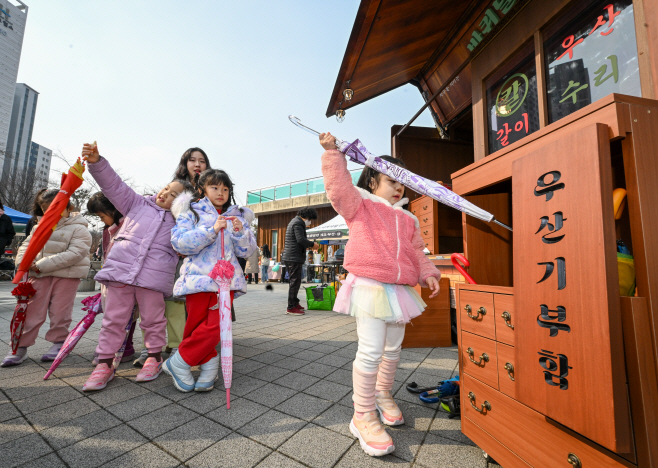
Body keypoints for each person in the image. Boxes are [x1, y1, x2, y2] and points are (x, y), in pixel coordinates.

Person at [319, 132, 440, 457]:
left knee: (392, 349)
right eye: (392, 179)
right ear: (372, 181)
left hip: (400, 290)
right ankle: (362, 416)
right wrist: (333, 154)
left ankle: (383, 394)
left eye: (403, 181)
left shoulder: (409, 217)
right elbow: (337, 188)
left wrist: (428, 272)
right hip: (371, 286)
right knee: (371, 351)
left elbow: (418, 252)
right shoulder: (360, 204)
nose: (399, 186)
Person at [80, 143, 193, 391]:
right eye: (166, 189)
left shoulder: (181, 223)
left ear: (183, 203)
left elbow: (187, 246)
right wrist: (97, 163)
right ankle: (105, 363)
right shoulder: (136, 204)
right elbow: (113, 185)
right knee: (113, 319)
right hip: (120, 273)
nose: (166, 194)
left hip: (152, 280)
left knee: (154, 320)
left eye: (174, 195)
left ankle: (153, 358)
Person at [165, 169, 257, 392]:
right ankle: (208, 367)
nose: (221, 193)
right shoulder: (191, 212)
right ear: (202, 189)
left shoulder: (238, 216)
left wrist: (239, 232)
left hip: (227, 282)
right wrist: (211, 230)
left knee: (217, 326)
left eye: (225, 189)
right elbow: (180, 244)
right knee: (196, 327)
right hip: (198, 281)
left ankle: (178, 363)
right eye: (215, 187)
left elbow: (247, 251)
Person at [1, 190, 92, 367]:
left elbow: (75, 253)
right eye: (47, 210)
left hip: (66, 276)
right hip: (38, 276)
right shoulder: (38, 227)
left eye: (57, 209)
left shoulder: (79, 228)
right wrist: (24, 262)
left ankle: (59, 343)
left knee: (60, 311)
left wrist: (41, 264)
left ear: (69, 207)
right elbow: (25, 247)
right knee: (31, 311)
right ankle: (19, 347)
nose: (52, 214)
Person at [86, 192, 138, 365]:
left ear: (114, 210)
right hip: (111, 278)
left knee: (124, 316)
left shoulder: (129, 226)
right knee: (113, 316)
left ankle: (124, 347)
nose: (101, 220)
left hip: (124, 279)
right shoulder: (108, 229)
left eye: (102, 216)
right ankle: (111, 348)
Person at [282, 207, 319, 315]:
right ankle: (291, 307)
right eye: (310, 219)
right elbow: (300, 239)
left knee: (296, 281)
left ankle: (294, 303)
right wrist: (313, 244)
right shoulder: (298, 223)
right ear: (307, 217)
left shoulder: (295, 221)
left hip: (293, 256)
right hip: (293, 257)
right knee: (294, 282)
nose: (310, 222)